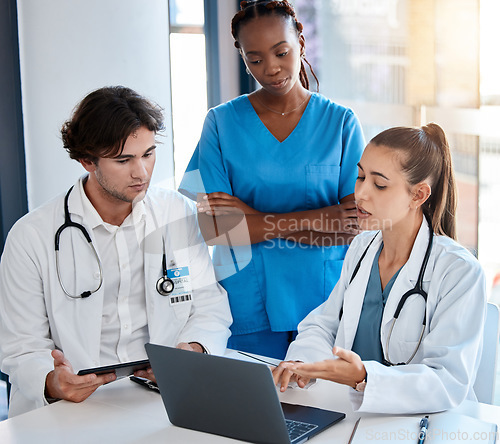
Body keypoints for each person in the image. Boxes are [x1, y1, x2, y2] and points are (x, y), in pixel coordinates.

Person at [0, 86, 232, 417]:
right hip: (69, 410)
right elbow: (21, 346)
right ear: (86, 160)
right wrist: (52, 381)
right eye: (124, 160)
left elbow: (209, 306)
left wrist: (191, 351)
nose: (142, 172)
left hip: (159, 400)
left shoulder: (177, 215)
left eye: (148, 154)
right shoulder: (31, 236)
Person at [179, 0, 365, 359]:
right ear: (243, 57)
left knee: (328, 408)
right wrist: (317, 221)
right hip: (247, 304)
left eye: (281, 52)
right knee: (251, 409)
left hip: (324, 303)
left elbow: (353, 224)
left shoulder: (341, 123)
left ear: (300, 42)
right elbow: (214, 229)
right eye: (256, 59)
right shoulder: (221, 124)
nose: (272, 68)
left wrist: (251, 217)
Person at [272, 123, 487, 414]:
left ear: (418, 195)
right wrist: (303, 362)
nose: (360, 193)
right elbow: (323, 324)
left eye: (380, 184)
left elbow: (447, 381)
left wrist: (364, 377)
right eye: (360, 176)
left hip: (424, 425)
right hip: (355, 415)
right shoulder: (362, 248)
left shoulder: (459, 271)